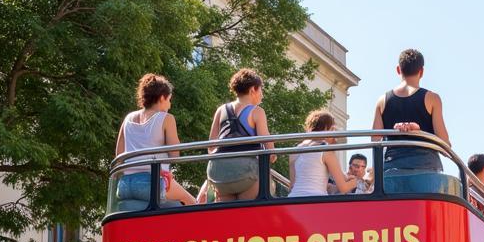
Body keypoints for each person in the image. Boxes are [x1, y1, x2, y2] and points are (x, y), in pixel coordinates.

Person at [114, 74, 196, 207]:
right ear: (162, 97)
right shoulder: (166, 118)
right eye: (169, 99)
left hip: (125, 185)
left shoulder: (128, 118)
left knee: (171, 207)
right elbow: (175, 156)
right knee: (192, 203)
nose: (170, 104)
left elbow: (119, 155)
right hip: (152, 184)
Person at [372, 48, 449, 173]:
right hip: (426, 169)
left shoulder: (382, 101)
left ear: (398, 70)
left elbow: (375, 141)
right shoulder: (432, 99)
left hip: (392, 169)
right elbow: (444, 144)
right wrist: (419, 132)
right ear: (421, 71)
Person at [202, 68, 273, 202]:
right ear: (253, 90)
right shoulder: (257, 112)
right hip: (246, 172)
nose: (262, 95)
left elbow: (211, 146)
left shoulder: (221, 110)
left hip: (218, 173)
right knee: (248, 216)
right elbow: (270, 149)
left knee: (227, 219)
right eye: (261, 90)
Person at [287, 110, 360, 198]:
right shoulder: (325, 149)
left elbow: (292, 186)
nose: (334, 134)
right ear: (325, 128)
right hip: (316, 201)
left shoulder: (295, 150)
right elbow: (343, 188)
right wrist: (357, 181)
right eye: (332, 129)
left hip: (294, 200)